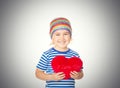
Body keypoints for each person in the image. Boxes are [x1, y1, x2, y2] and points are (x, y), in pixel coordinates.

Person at [35, 17, 84, 88]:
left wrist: (78, 75)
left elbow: (81, 73)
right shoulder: (47, 54)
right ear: (52, 37)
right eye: (57, 34)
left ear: (70, 36)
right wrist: (51, 77)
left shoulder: (75, 55)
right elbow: (38, 73)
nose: (62, 38)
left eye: (66, 34)